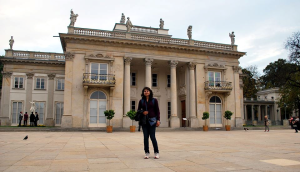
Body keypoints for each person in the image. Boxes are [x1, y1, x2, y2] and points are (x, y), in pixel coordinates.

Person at [137, 87, 160, 159]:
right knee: (145, 138)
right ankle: (147, 153)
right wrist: (142, 112)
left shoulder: (154, 100)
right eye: (145, 91)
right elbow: (138, 110)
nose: (146, 92)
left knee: (153, 137)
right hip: (144, 121)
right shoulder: (141, 101)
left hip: (152, 121)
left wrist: (158, 120)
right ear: (143, 93)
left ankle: (156, 152)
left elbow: (157, 111)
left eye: (147, 91)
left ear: (150, 92)